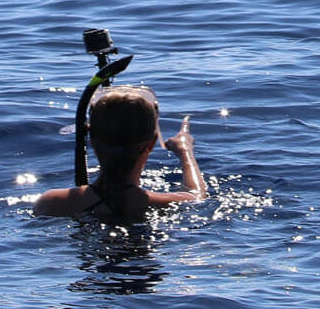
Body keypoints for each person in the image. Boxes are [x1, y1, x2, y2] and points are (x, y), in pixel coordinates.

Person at [33, 83, 207, 219]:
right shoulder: (164, 204)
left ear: (91, 140)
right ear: (151, 144)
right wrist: (185, 152)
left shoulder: (50, 203)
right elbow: (197, 196)